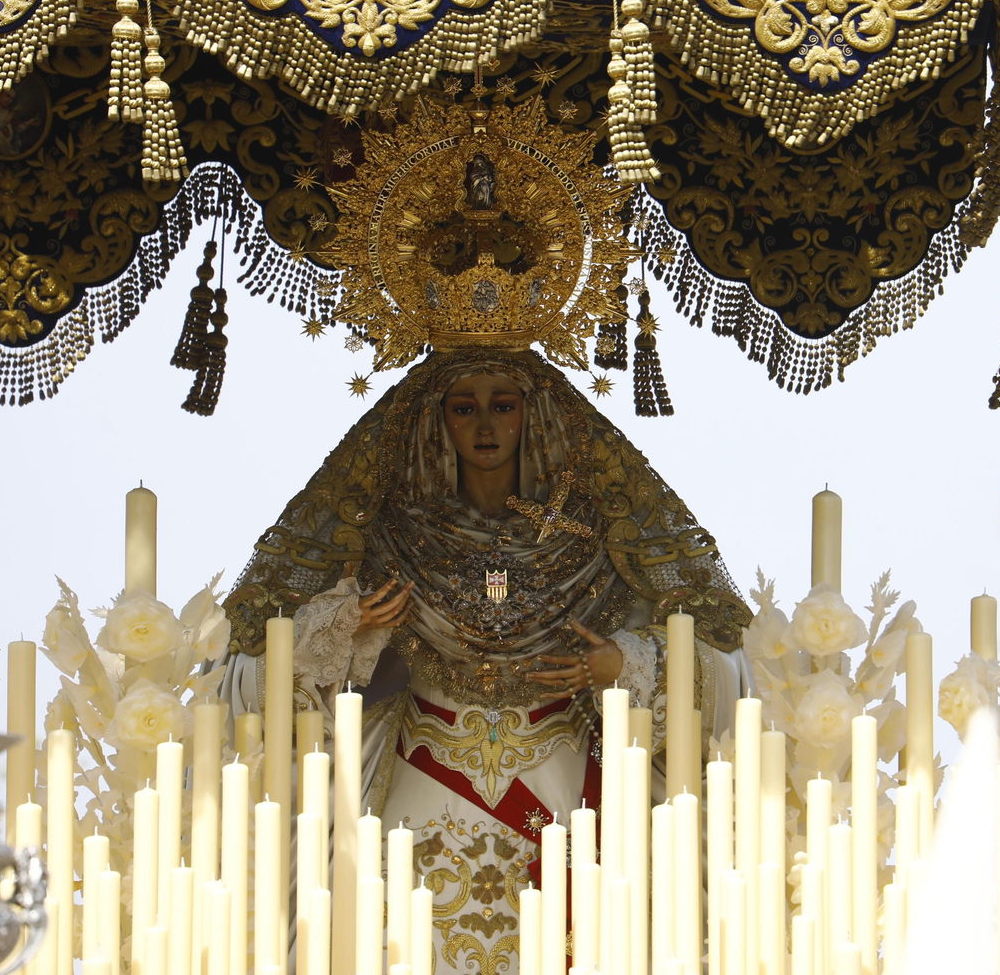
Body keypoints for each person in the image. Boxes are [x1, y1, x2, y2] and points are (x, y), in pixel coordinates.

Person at [220, 347, 753, 975]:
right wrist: (348, 625)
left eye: (504, 406)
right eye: (463, 407)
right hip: (421, 773)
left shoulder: (596, 536)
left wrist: (624, 664)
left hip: (565, 779)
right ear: (432, 421)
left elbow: (714, 653)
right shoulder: (388, 533)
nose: (485, 427)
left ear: (537, 417)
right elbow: (259, 667)